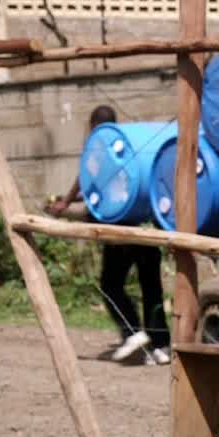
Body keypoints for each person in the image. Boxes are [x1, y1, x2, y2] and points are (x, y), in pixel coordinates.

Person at [46, 105, 171, 365]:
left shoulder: (99, 147)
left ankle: (132, 331)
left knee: (111, 285)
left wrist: (65, 203)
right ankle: (161, 346)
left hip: (120, 232)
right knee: (152, 289)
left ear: (93, 125)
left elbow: (87, 178)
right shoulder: (128, 145)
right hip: (146, 228)